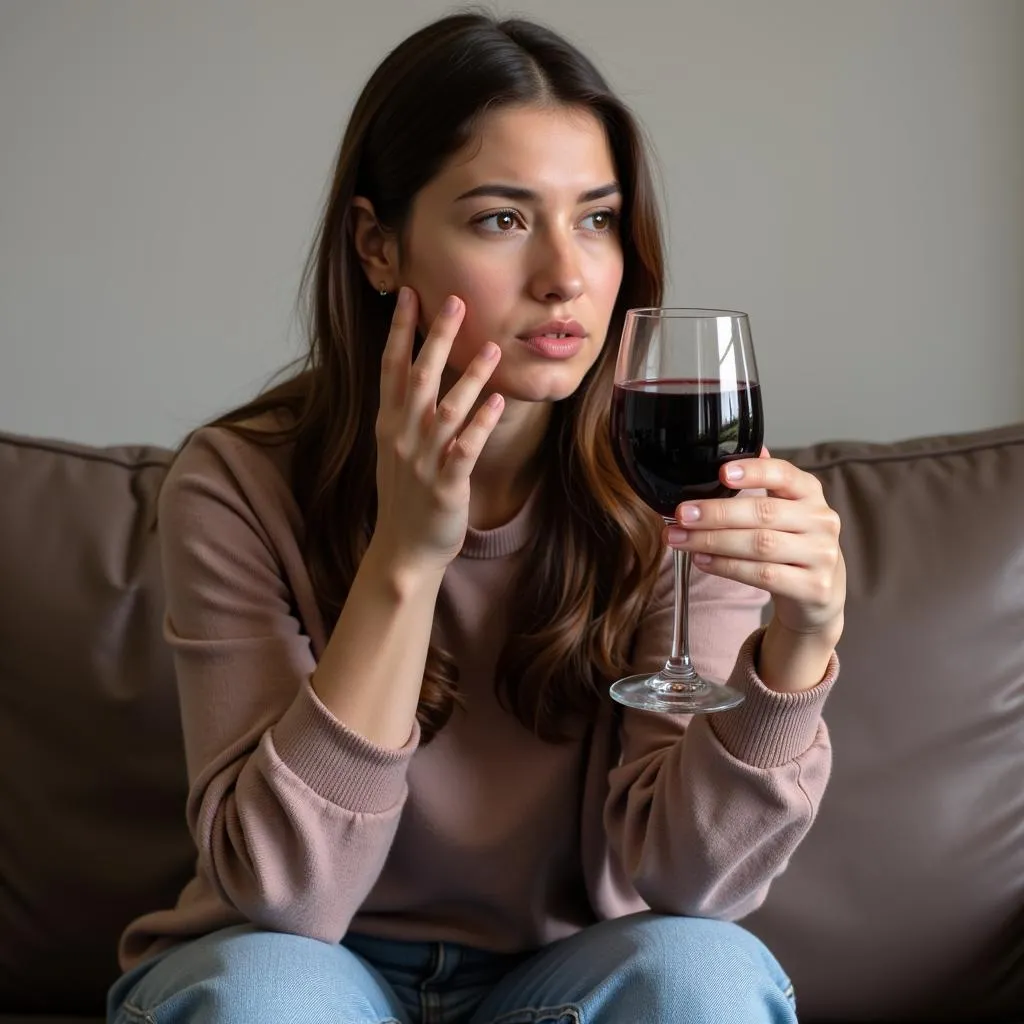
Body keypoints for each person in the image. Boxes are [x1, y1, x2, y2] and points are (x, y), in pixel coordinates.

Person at [107, 11, 846, 1024]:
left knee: (706, 972)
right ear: (378, 244)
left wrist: (794, 655)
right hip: (312, 970)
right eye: (502, 219)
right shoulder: (238, 483)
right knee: (263, 996)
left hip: (561, 980)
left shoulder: (680, 489)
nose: (566, 275)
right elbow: (288, 896)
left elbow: (696, 887)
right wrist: (407, 556)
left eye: (595, 218)